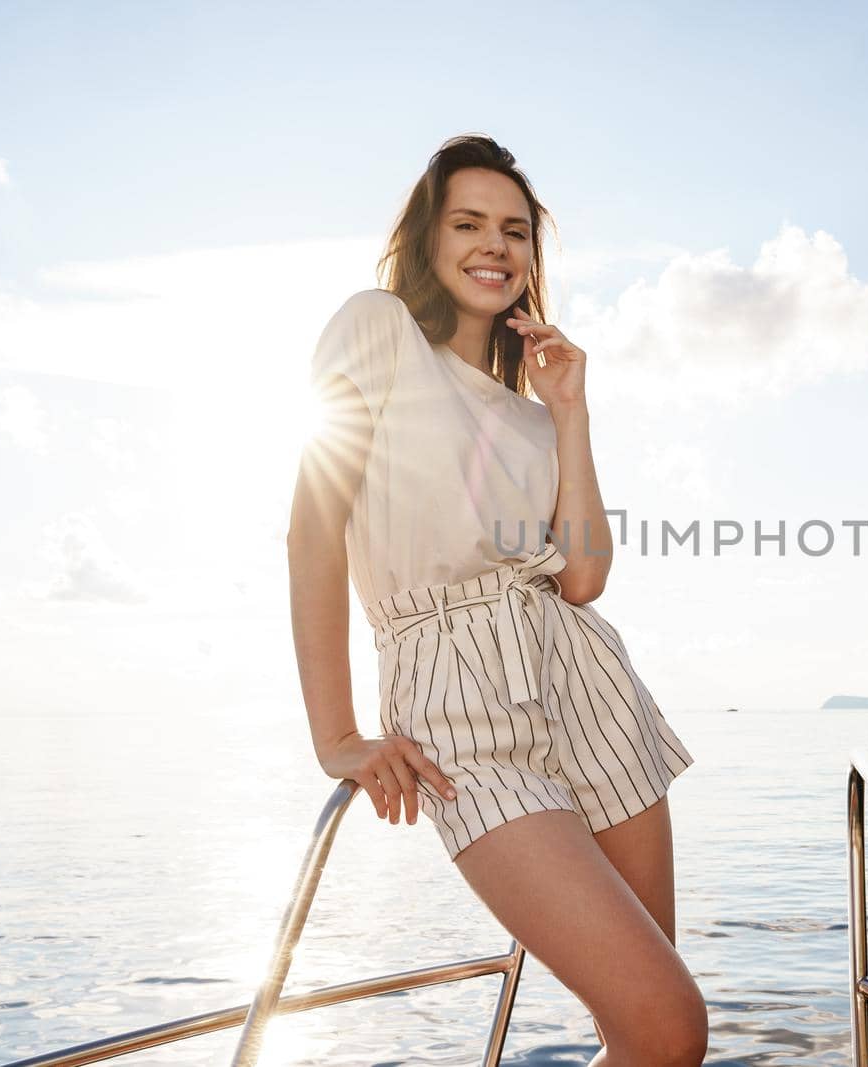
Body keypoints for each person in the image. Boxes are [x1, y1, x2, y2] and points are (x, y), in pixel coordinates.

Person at [287, 133, 707, 1066]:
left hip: (589, 692)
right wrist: (336, 734)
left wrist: (568, 407)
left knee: (648, 1035)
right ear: (429, 241)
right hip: (458, 706)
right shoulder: (375, 328)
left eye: (515, 231)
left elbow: (585, 578)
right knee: (670, 1023)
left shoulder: (528, 412)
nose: (496, 245)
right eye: (468, 222)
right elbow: (312, 532)